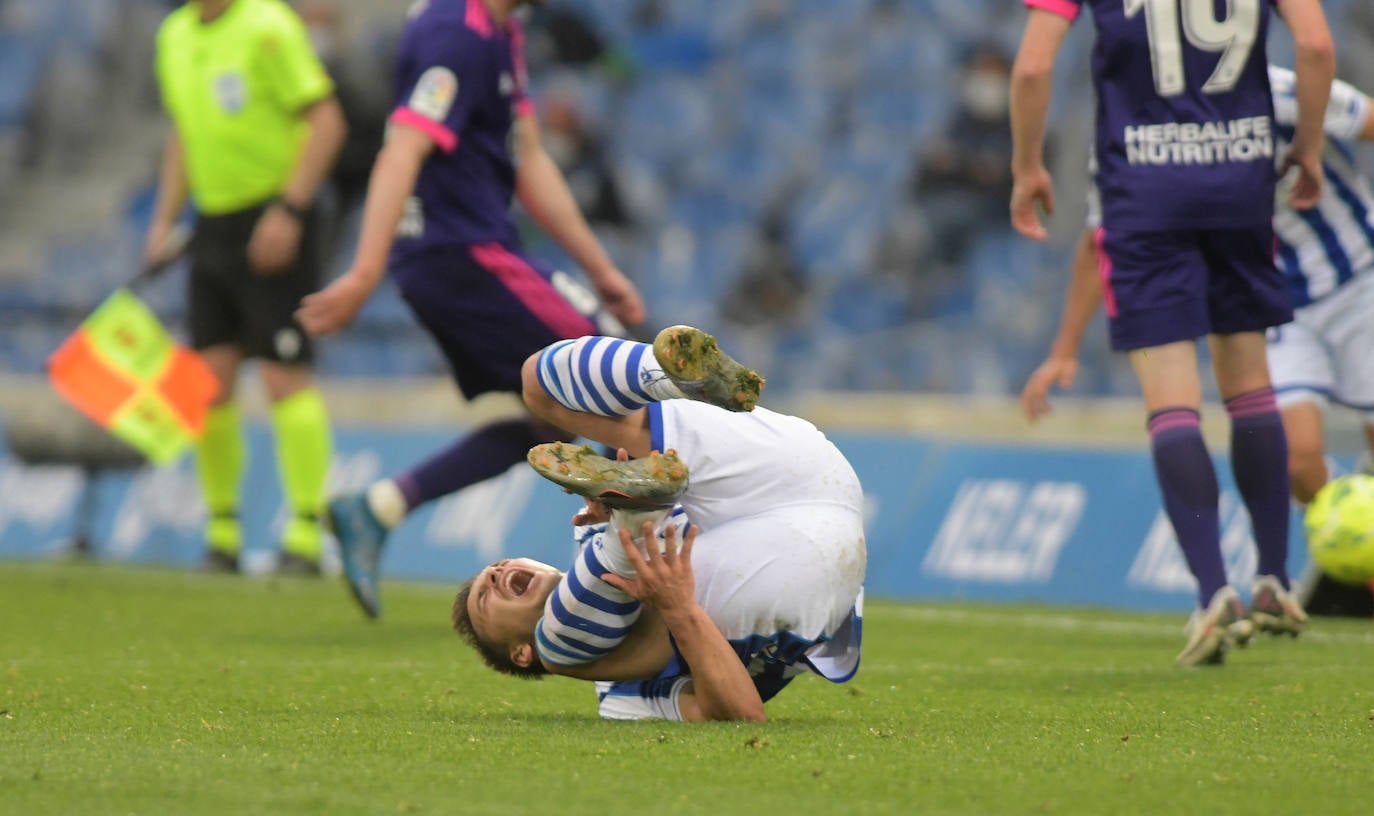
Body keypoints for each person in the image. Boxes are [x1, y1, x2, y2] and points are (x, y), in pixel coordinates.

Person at [1009, 0, 1335, 665]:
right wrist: (1308, 143)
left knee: (1172, 397)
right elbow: (1318, 45)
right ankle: (1274, 575)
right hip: (1239, 180)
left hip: (1144, 187)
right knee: (1249, 380)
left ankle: (1214, 592)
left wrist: (1026, 167)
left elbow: (1032, 66)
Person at [294, 0, 645, 618]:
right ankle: (651, 586)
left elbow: (528, 157)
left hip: (471, 255)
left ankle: (379, 507)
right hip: (463, 257)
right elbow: (402, 150)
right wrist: (363, 273)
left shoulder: (501, 30)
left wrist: (600, 267)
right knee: (621, 379)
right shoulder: (454, 33)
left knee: (554, 425)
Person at [451, 326, 865, 721]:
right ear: (518, 654)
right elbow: (743, 713)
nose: (494, 572)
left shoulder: (586, 533)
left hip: (804, 473)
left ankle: (664, 378)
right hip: (789, 580)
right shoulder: (616, 695)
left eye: (498, 565)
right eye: (484, 599)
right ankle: (635, 513)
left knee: (537, 386)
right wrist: (679, 609)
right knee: (557, 648)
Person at [143, 0, 347, 575]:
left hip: (273, 215)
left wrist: (289, 209)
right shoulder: (174, 35)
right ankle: (222, 533)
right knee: (209, 381)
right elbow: (184, 131)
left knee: (284, 374)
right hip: (212, 225)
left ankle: (307, 533)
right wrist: (164, 220)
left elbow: (326, 122)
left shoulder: (268, 24)